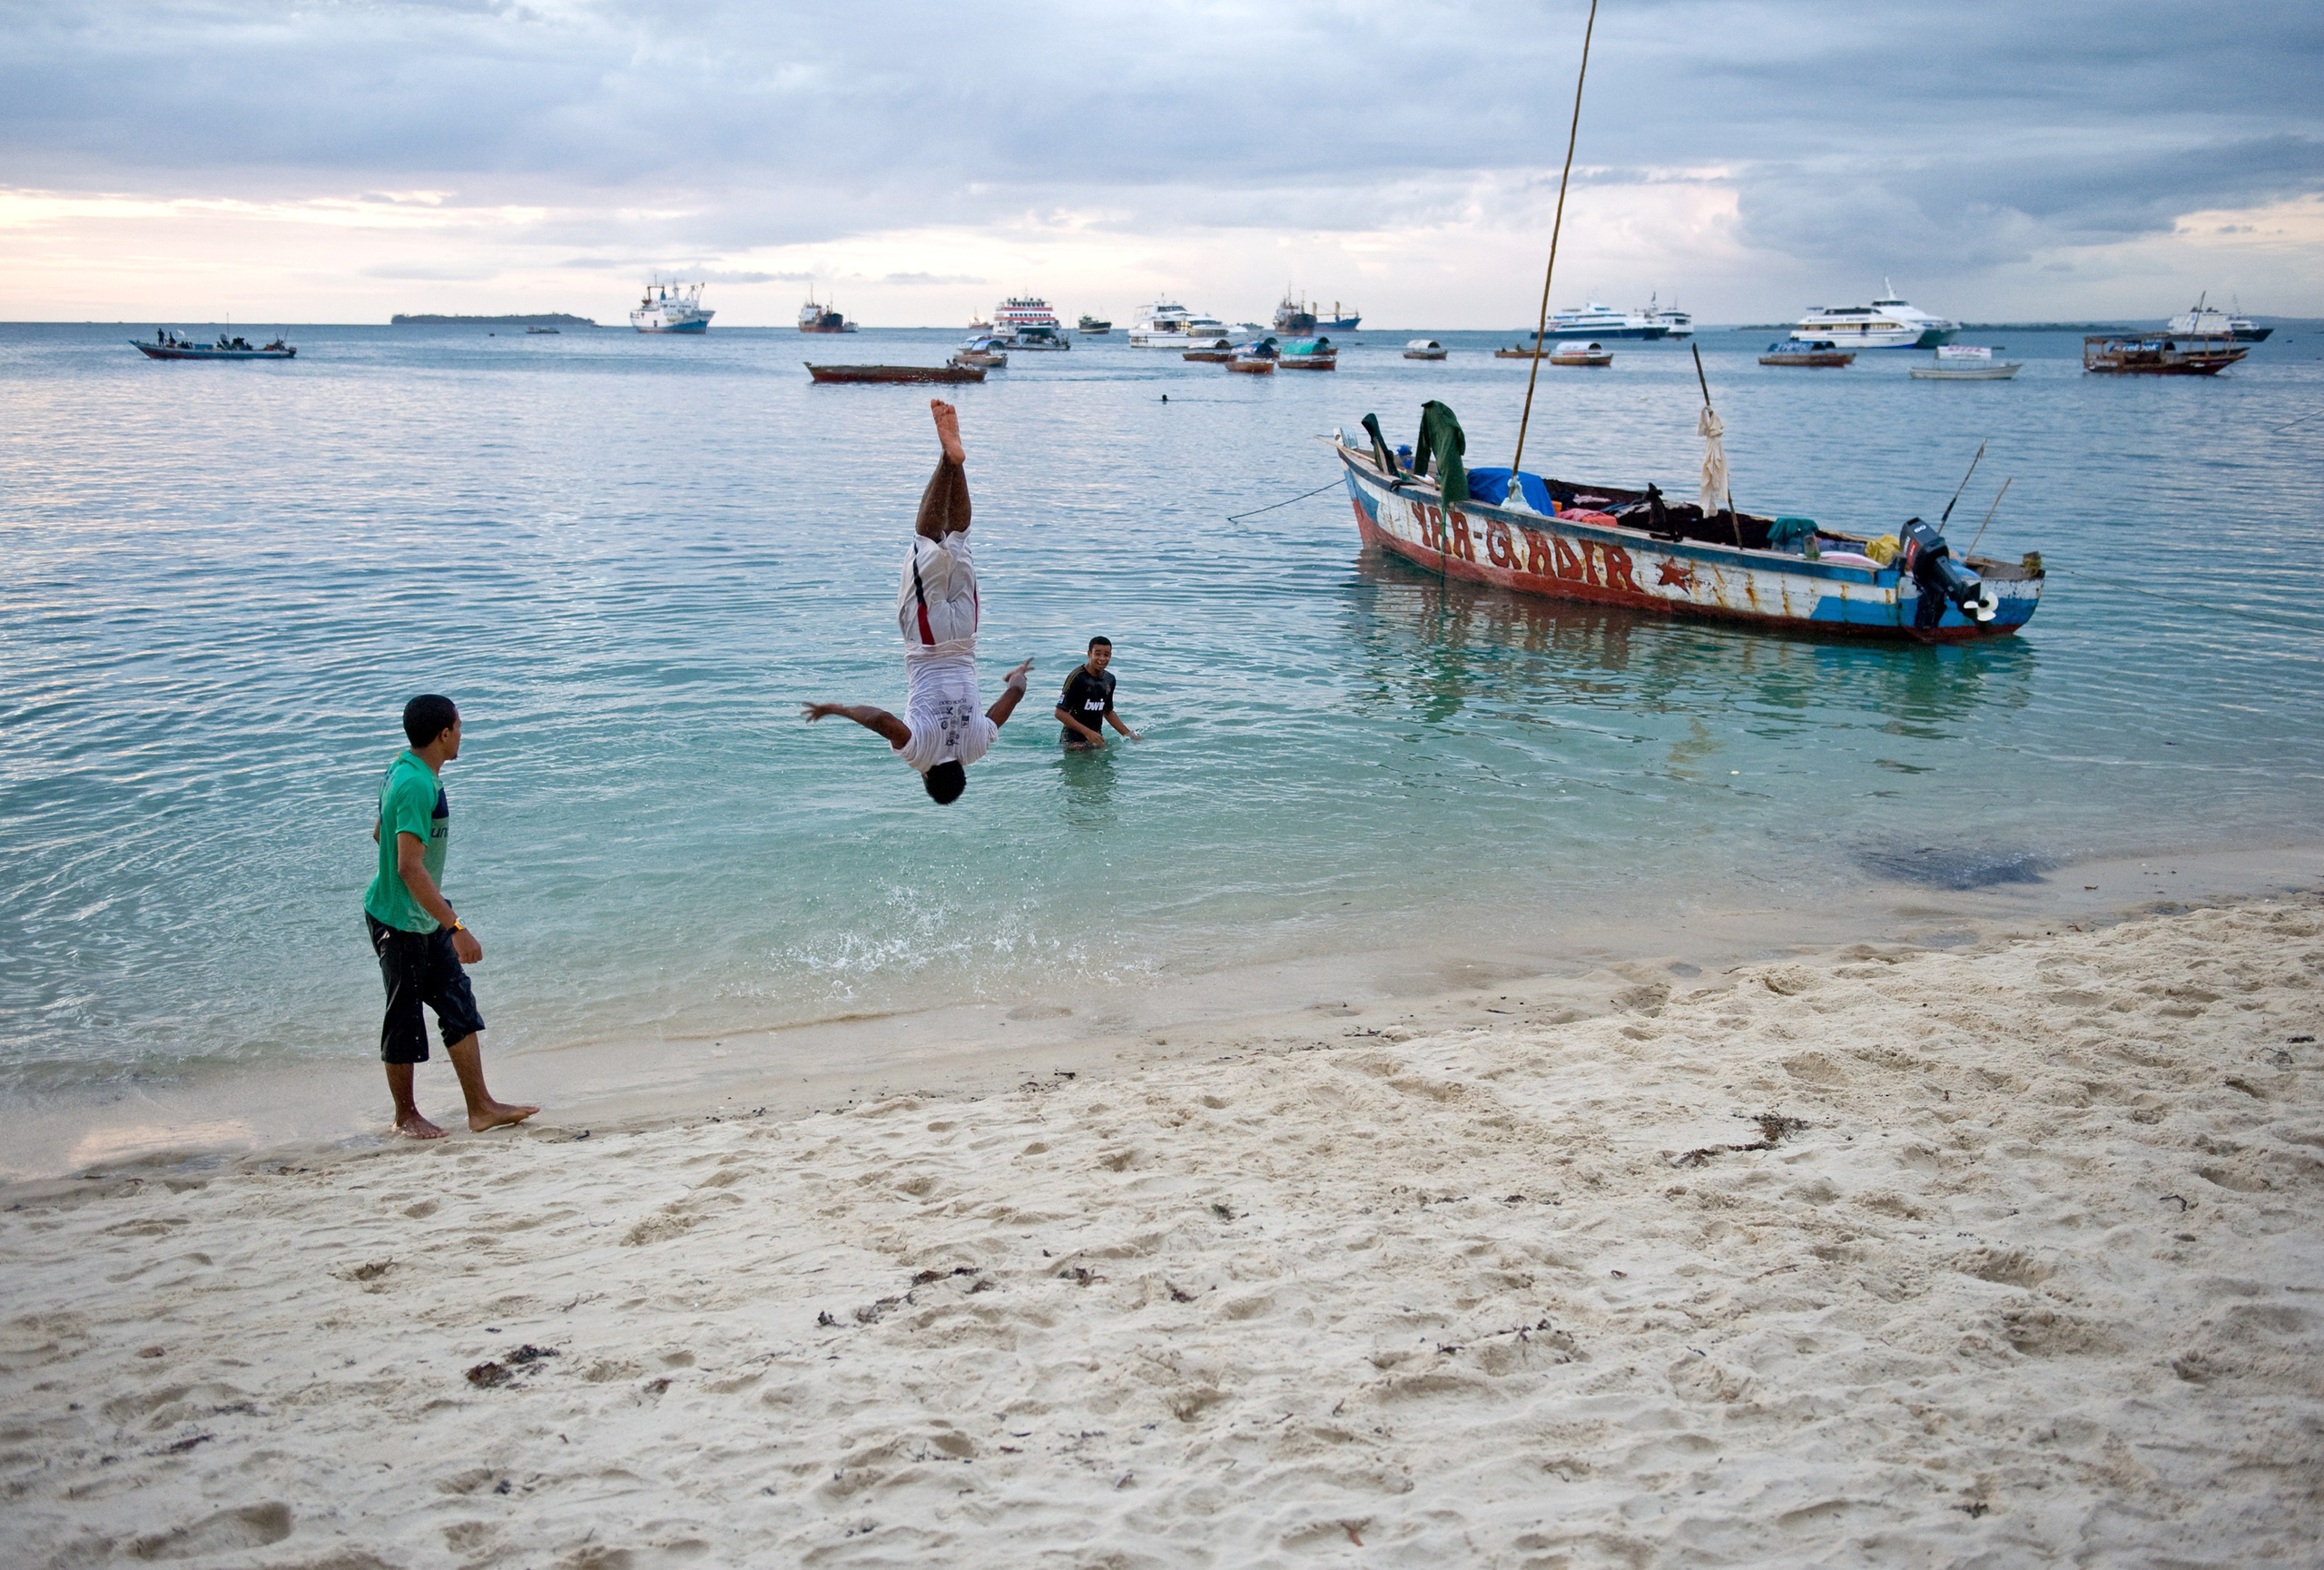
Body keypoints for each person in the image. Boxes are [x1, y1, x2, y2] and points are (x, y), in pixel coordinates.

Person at [802, 400, 1033, 803]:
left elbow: (1013, 698)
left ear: (962, 775)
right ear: (926, 780)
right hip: (927, 641)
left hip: (967, 637)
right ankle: (948, 457)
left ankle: (956, 462)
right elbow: (883, 721)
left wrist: (1017, 674)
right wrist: (834, 709)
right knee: (927, 540)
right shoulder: (919, 753)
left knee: (957, 541)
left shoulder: (977, 748)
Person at [363, 694, 539, 1140]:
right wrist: (455, 925)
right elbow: (407, 866)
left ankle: (481, 1108)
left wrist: (437, 908)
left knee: (458, 1005)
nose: (462, 734)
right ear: (444, 734)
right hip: (398, 922)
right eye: (459, 727)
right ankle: (405, 1116)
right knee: (403, 1016)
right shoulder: (416, 783)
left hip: (424, 916)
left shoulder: (406, 769)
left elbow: (379, 831)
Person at [1055, 637, 1140, 750]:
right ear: (1089, 654)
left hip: (1096, 739)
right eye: (1097, 654)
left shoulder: (1109, 679)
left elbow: (1107, 711)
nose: (1102, 658)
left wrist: (1128, 734)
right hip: (1072, 742)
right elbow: (1059, 712)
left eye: (1106, 655)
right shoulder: (1077, 677)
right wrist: (1088, 733)